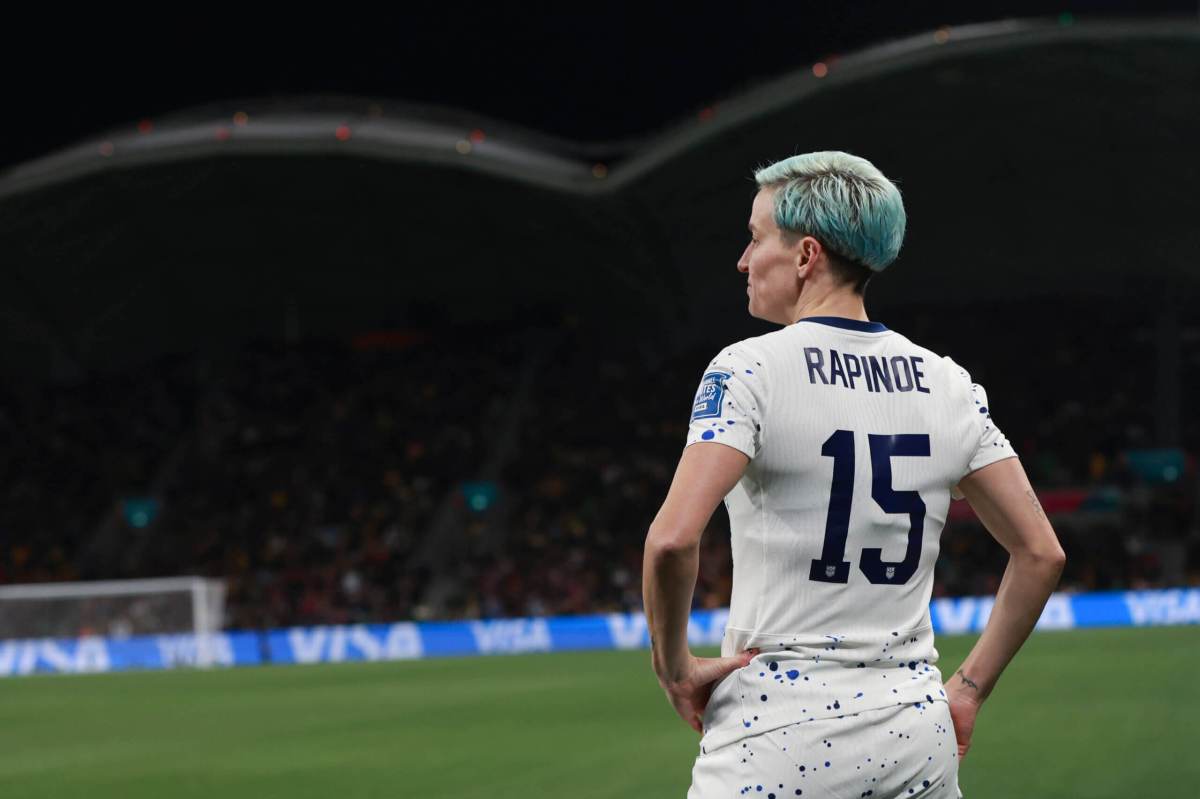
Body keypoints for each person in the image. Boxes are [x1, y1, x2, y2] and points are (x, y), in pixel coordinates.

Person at [642, 151, 1066, 798]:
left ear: (806, 254)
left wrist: (674, 667)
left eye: (755, 238)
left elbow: (672, 540)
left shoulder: (749, 370)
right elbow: (1040, 551)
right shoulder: (948, 383)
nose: (743, 259)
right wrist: (970, 687)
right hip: (914, 737)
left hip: (775, 736)